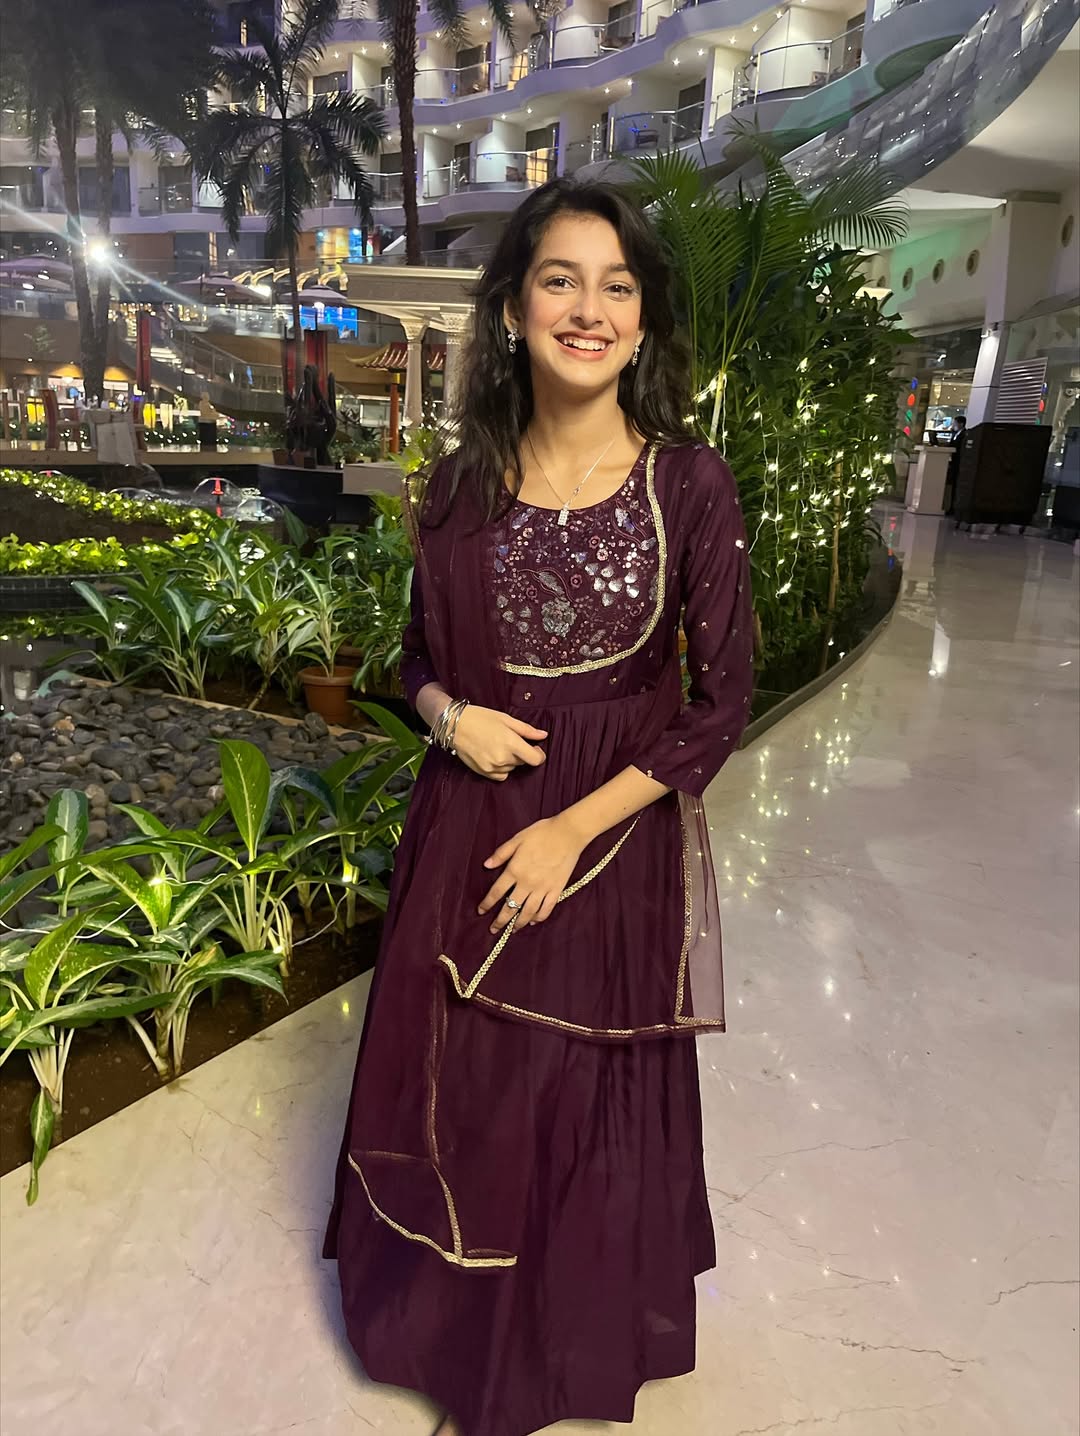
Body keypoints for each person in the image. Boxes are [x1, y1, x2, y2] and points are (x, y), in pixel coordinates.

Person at [323, 177, 754, 1436]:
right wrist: (447, 715)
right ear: (514, 308)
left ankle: (558, 1351)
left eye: (617, 286)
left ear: (642, 318)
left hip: (607, 835)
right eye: (560, 279)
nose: (588, 308)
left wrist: (573, 827)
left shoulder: (688, 484)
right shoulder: (457, 487)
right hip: (470, 823)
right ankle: (460, 1345)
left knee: (571, 1094)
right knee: (473, 1088)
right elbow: (415, 657)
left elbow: (719, 702)